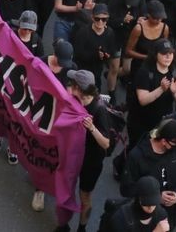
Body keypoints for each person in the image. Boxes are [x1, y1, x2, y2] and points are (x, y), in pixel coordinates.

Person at [123, 119, 176, 222]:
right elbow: (126, 189)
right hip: (144, 214)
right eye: (174, 144)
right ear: (163, 141)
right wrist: (156, 197)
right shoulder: (137, 156)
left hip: (170, 213)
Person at [70, 69, 114, 232]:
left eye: (73, 84)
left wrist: (92, 128)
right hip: (75, 154)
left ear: (79, 89)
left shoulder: (99, 109)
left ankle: (82, 227)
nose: (70, 87)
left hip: (90, 161)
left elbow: (106, 143)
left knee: (84, 195)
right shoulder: (76, 100)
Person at [103, 176, 171, 232]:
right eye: (146, 203)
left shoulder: (161, 215)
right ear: (138, 198)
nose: (151, 207)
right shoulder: (121, 219)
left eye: (154, 203)